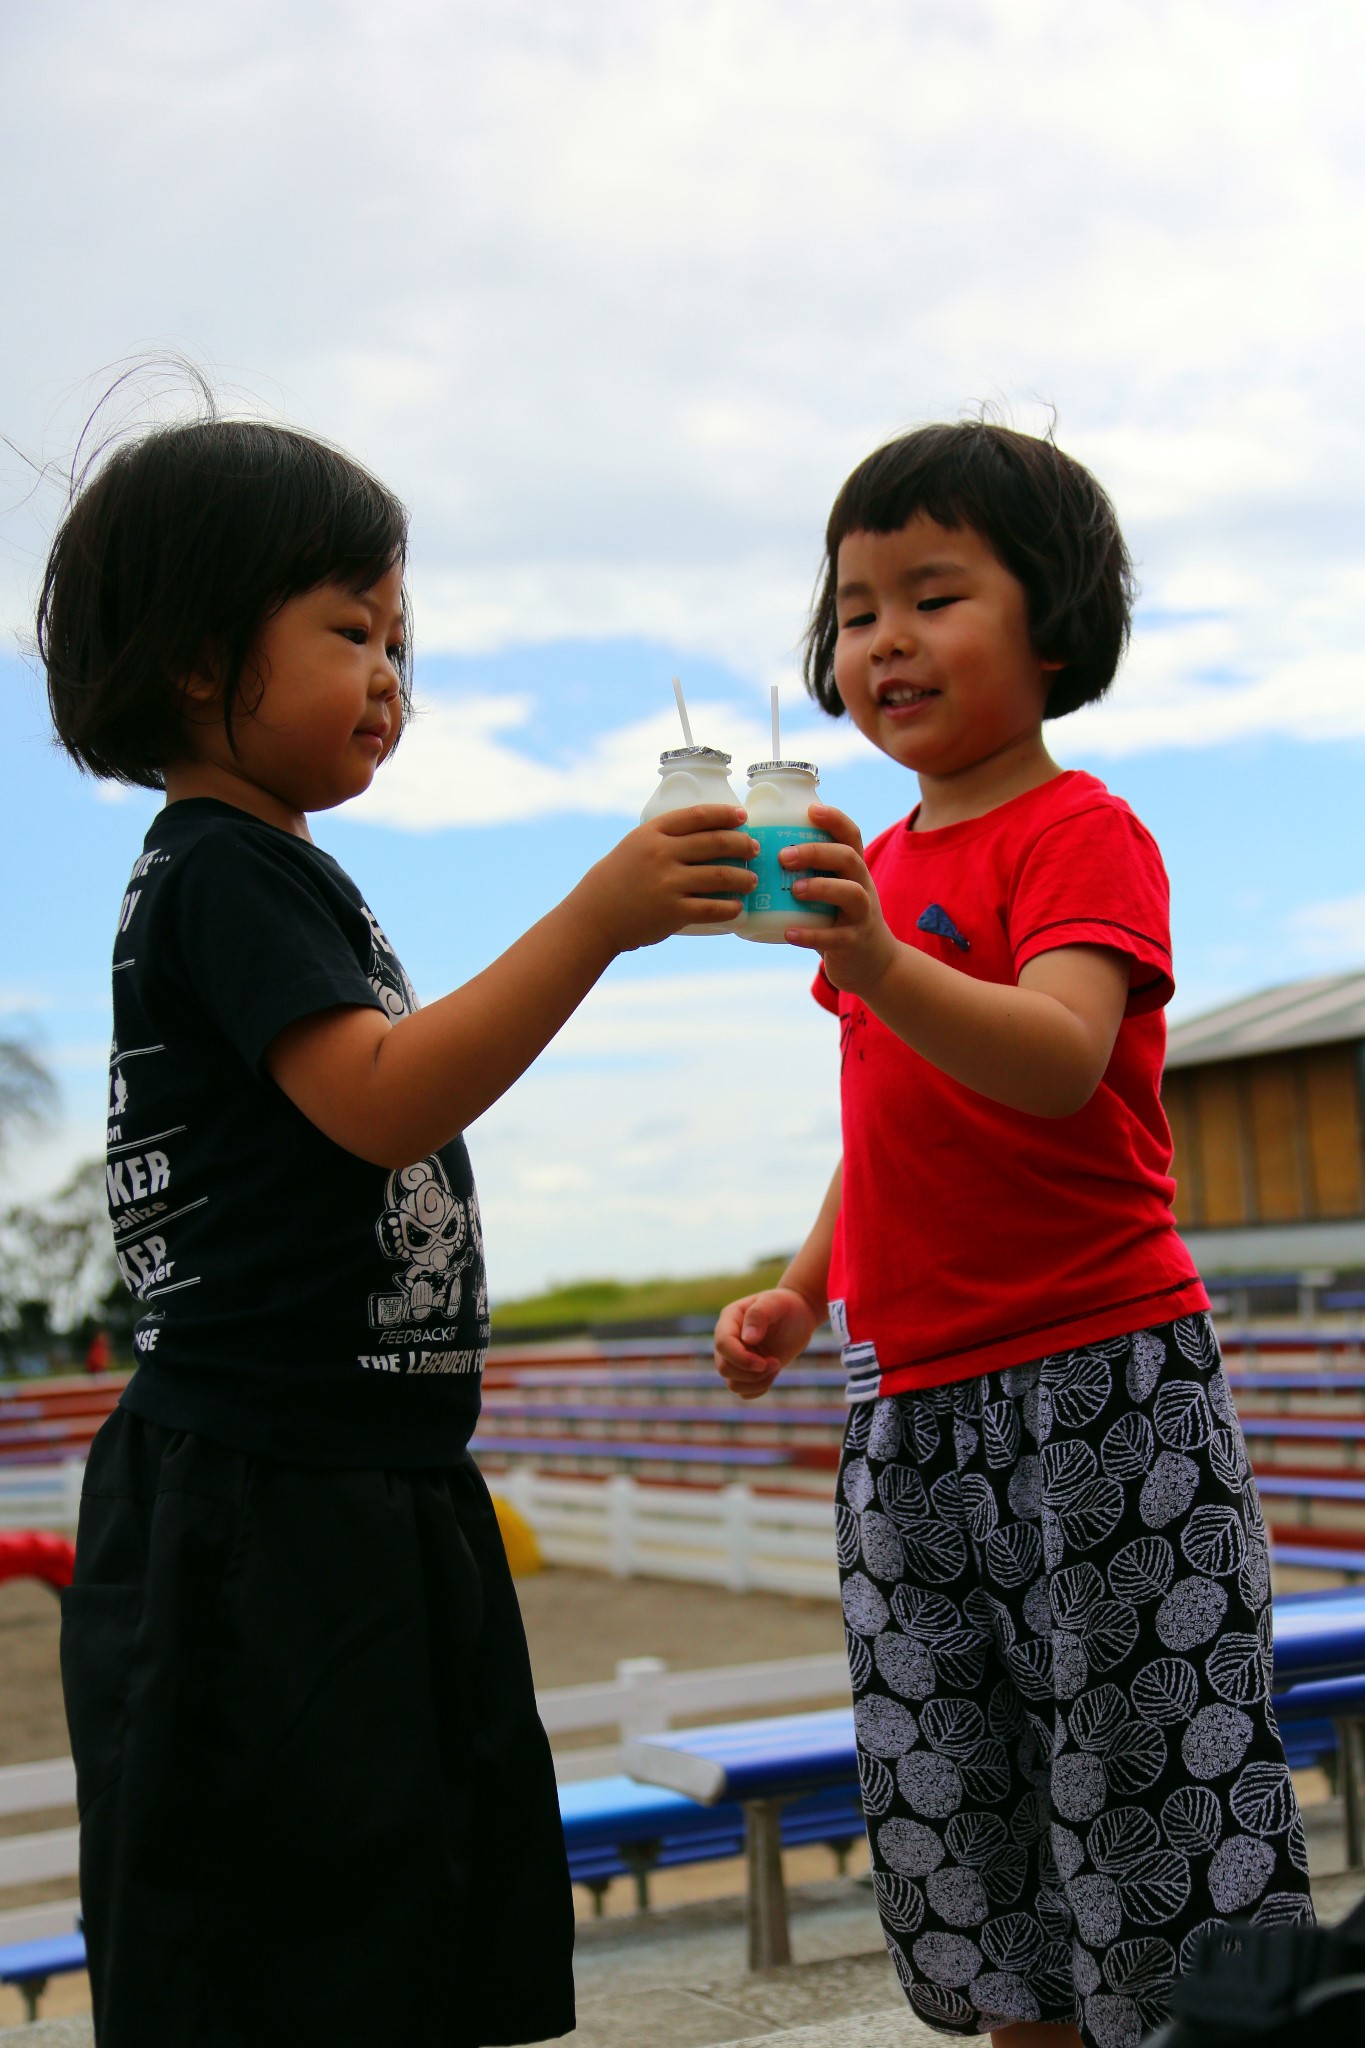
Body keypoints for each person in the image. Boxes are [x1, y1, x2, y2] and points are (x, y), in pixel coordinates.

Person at [39, 410, 757, 2048]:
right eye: (350, 630)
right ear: (198, 661)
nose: (389, 674)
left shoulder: (288, 873)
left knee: (410, 1922)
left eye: (399, 640)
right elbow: (379, 1101)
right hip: (259, 1504)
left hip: (372, 1477)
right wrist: (597, 918)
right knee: (294, 1950)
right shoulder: (218, 870)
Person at [714, 422, 1312, 2048]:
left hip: (1099, 1387)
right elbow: (889, 1120)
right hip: (908, 1405)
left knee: (1156, 1810)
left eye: (931, 594)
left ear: (1049, 624)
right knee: (971, 1836)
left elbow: (1050, 1062)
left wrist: (881, 958)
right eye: (852, 610)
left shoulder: (1077, 834)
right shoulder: (879, 864)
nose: (882, 639)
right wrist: (796, 1286)